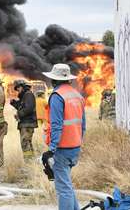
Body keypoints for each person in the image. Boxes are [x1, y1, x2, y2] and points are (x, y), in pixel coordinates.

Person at [42, 63, 86, 210]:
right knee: (67, 184)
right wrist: (78, 142)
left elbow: (56, 125)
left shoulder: (57, 96)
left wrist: (52, 149)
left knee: (63, 189)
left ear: (55, 80)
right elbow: (83, 124)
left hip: (62, 148)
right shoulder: (77, 95)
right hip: (75, 146)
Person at [10, 79, 38, 159]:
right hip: (26, 123)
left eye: (18, 88)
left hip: (27, 123)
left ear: (22, 86)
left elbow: (29, 108)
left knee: (25, 143)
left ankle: (28, 161)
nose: (17, 90)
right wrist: (14, 103)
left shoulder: (28, 95)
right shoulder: (25, 96)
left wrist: (18, 114)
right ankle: (31, 161)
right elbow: (22, 107)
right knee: (27, 142)